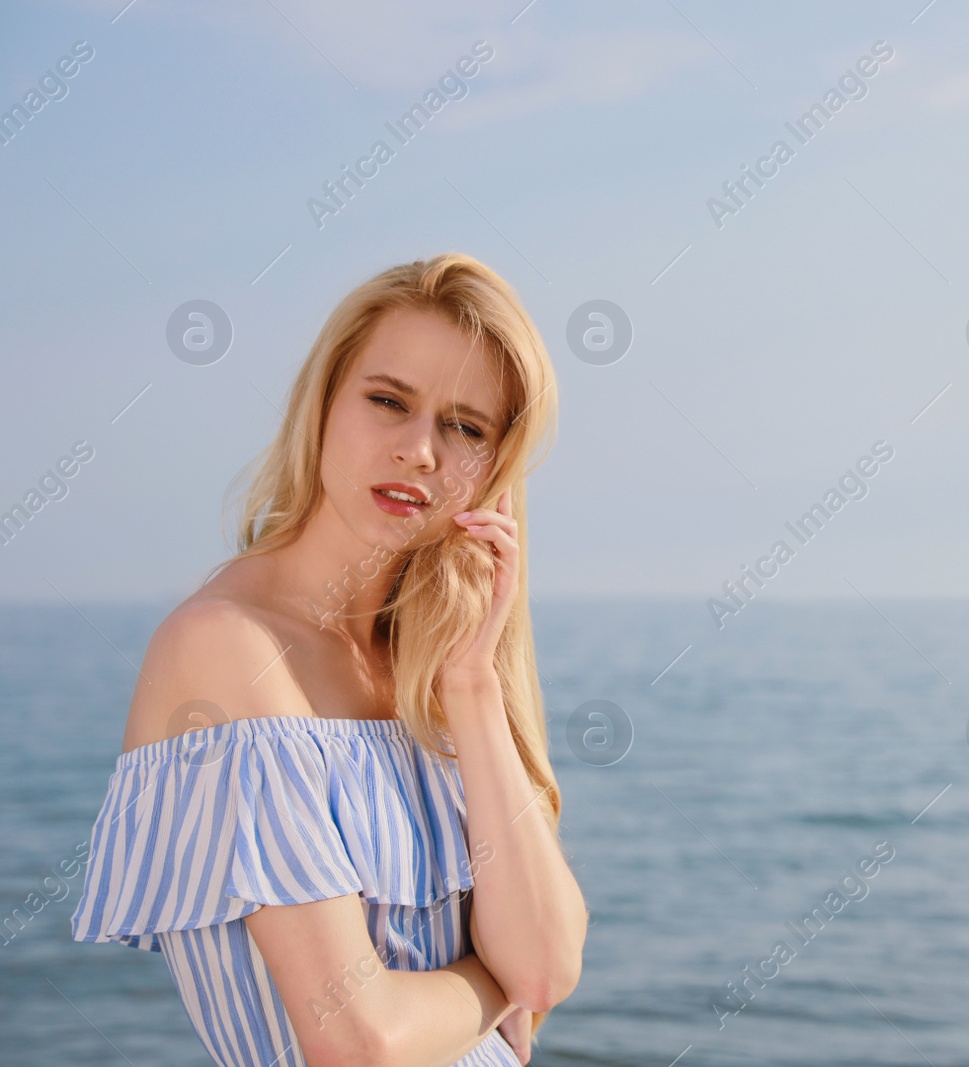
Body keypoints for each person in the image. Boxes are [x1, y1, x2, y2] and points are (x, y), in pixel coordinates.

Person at [70, 252, 587, 1067]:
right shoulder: (227, 649)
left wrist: (475, 685)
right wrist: (495, 986)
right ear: (324, 404)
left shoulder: (439, 665)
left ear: (495, 470)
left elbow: (551, 965)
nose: (420, 449)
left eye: (466, 427)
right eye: (388, 401)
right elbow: (358, 1040)